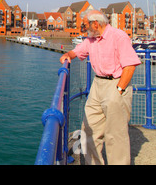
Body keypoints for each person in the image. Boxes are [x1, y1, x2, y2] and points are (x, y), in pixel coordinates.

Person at [59, 10, 141, 165]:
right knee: (90, 129)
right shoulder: (91, 39)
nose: (83, 28)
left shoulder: (119, 37)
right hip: (97, 84)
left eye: (84, 25)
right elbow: (77, 51)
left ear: (95, 23)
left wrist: (119, 90)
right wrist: (68, 56)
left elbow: (130, 66)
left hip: (116, 83)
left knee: (115, 134)